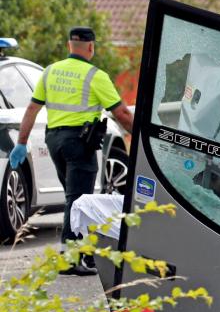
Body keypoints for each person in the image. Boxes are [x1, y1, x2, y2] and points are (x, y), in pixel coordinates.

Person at [8, 27, 133, 275]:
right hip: (79, 144)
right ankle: (70, 258)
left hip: (54, 142)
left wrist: (21, 142)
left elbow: (32, 109)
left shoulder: (50, 72)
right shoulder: (95, 76)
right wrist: (142, 138)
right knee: (78, 200)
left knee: (73, 197)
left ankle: (83, 254)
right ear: (91, 47)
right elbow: (121, 113)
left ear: (69, 46)